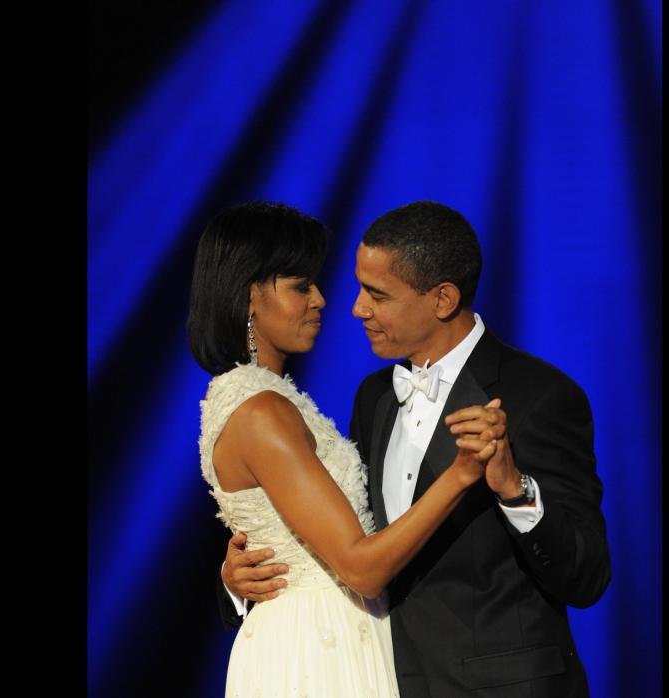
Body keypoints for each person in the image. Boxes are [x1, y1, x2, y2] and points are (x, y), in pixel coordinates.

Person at [222, 201, 612, 697]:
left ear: (443, 299)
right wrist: (236, 578)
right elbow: (346, 532)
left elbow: (588, 577)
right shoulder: (375, 396)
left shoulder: (539, 396)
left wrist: (515, 490)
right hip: (383, 678)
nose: (356, 308)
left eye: (376, 294)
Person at [188, 201, 501, 698]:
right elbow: (362, 568)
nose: (322, 300)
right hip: (318, 650)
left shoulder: (259, 399)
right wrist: (462, 474)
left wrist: (233, 577)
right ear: (250, 295)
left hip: (332, 634)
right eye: (299, 287)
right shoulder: (261, 412)